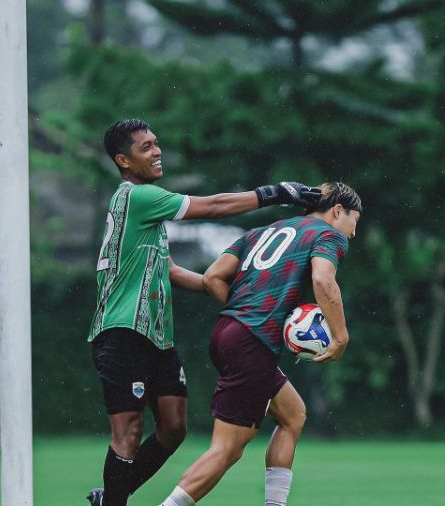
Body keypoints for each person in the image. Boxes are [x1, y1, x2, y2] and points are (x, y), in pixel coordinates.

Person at [87, 119, 321, 506]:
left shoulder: (147, 214)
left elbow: (172, 272)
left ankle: (112, 495)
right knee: (128, 433)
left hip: (156, 339)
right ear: (123, 160)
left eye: (156, 143)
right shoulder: (137, 197)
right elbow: (213, 206)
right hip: (122, 331)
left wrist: (244, 289)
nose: (157, 151)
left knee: (174, 427)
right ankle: (114, 501)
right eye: (146, 147)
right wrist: (276, 193)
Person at [158, 182, 361, 506]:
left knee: (293, 415)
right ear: (338, 211)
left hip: (229, 332)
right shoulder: (329, 234)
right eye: (355, 221)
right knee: (227, 449)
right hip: (251, 343)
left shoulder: (267, 230)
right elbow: (323, 279)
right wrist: (340, 337)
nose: (352, 232)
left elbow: (212, 277)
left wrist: (243, 314)